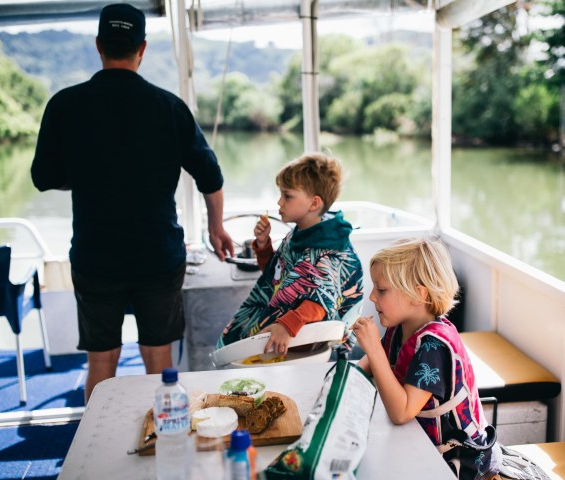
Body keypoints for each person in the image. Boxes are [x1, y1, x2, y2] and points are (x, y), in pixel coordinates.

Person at [31, 3, 234, 403]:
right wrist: (216, 228)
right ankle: (161, 443)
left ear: (98, 46)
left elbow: (44, 178)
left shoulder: (65, 104)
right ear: (141, 49)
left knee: (101, 363)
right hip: (157, 255)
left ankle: (99, 455)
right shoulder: (169, 106)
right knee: (159, 361)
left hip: (95, 256)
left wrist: (91, 177)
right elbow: (210, 176)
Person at [351, 237, 501, 480]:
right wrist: (345, 382)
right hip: (420, 441)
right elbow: (368, 366)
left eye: (381, 290)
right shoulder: (399, 328)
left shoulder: (433, 347)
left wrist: (372, 350)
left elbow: (401, 413)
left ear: (417, 295)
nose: (372, 297)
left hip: (459, 460)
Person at [217, 153, 364, 355]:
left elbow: (320, 302)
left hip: (304, 339)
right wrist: (263, 245)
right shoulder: (301, 233)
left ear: (314, 204)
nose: (279, 202)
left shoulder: (326, 251)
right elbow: (278, 275)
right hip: (289, 326)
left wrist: (286, 326)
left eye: (287, 196)